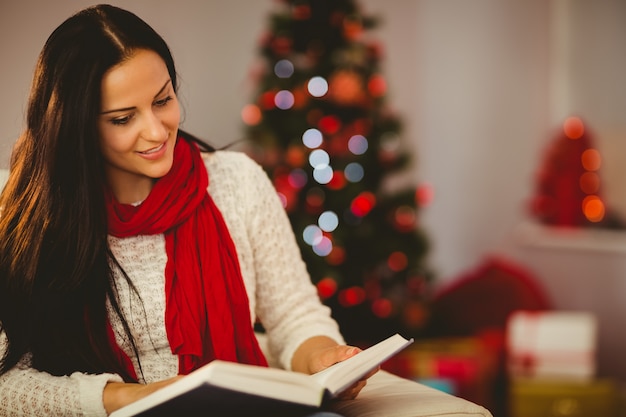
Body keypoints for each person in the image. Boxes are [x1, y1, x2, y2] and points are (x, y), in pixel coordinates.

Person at [0, 4, 373, 416]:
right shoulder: (29, 216)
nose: (157, 132)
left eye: (163, 100)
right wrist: (130, 396)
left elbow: (294, 315)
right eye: (123, 119)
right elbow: (6, 384)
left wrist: (321, 357)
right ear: (75, 125)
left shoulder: (237, 182)